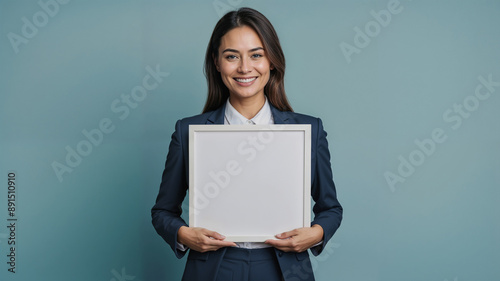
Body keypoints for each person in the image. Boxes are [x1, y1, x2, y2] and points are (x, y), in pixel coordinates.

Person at [151, 7, 342, 281]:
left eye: (256, 55)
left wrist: (316, 233)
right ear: (217, 63)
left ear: (272, 61)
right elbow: (162, 212)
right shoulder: (188, 131)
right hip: (214, 268)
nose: (244, 67)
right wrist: (184, 234)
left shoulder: (308, 131)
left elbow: (331, 208)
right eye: (231, 56)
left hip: (284, 268)